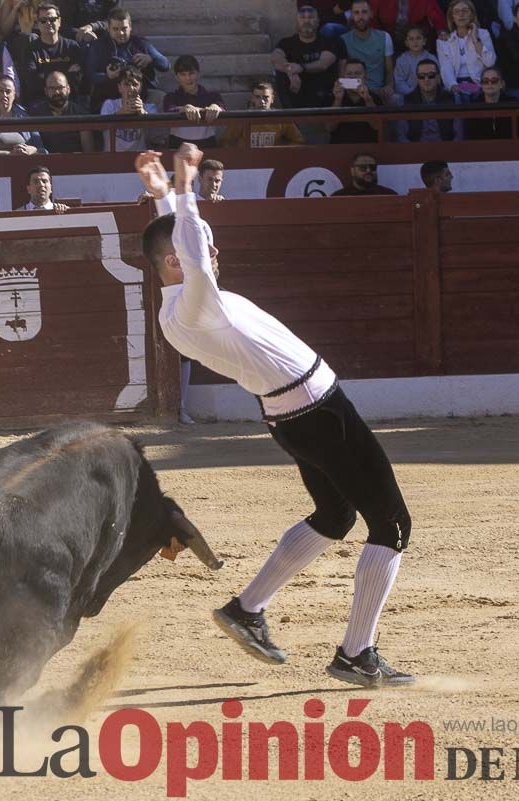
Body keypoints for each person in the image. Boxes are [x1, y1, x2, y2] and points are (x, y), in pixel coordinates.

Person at [135, 144, 415, 686]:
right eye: (207, 250)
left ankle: (247, 609)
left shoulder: (180, 310)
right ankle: (356, 654)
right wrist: (186, 187)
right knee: (392, 525)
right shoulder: (196, 302)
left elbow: (180, 246)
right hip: (319, 413)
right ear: (176, 264)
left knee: (335, 518)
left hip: (293, 415)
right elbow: (190, 251)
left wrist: (163, 197)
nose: (215, 255)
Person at [85, 7, 169, 111]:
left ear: (130, 27)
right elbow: (90, 75)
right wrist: (107, 76)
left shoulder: (140, 43)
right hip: (109, 97)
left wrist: (150, 59)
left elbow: (166, 65)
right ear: (109, 29)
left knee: (161, 97)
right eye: (115, 29)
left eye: (124, 28)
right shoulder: (98, 46)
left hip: (142, 95)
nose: (120, 33)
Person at [271, 2, 343, 112]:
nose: (306, 21)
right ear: (296, 22)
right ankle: (290, 115)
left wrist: (301, 67)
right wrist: (291, 71)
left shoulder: (330, 41)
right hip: (297, 93)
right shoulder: (287, 42)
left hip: (323, 95)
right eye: (302, 17)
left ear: (318, 21)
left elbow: (323, 63)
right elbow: (275, 57)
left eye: (311, 17)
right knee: (280, 72)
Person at [24, 2, 85, 105]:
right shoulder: (30, 50)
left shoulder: (72, 47)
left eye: (52, 19)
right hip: (41, 101)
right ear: (38, 24)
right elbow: (32, 83)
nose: (48, 23)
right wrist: (66, 73)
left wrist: (44, 75)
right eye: (43, 20)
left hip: (69, 100)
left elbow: (77, 81)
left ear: (59, 21)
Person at [437, 0, 497, 100]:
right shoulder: (444, 41)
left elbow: (490, 62)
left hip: (479, 83)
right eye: (457, 12)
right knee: (458, 98)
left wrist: (475, 38)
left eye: (465, 11)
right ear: (452, 17)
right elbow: (445, 67)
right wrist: (452, 85)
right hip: (456, 83)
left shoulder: (483, 34)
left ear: (471, 14)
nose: (461, 14)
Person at [218, 82, 306, 147]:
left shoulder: (281, 119)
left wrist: (279, 151)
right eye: (257, 97)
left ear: (272, 99)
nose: (262, 101)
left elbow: (299, 142)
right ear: (252, 99)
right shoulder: (241, 119)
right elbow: (225, 142)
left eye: (265, 97)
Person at [162, 55, 224, 148]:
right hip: (179, 146)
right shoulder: (170, 97)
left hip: (208, 146)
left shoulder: (213, 96)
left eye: (191, 73)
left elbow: (222, 108)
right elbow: (169, 110)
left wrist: (216, 107)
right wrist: (184, 108)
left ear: (198, 74)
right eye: (183, 74)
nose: (188, 78)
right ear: (176, 77)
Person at [28, 70, 97, 153]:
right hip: (44, 163)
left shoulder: (80, 113)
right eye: (52, 88)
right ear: (46, 91)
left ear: (68, 89)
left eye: (60, 87)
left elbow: (88, 151)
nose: (56, 92)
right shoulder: (35, 113)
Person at [0, 74, 46, 156]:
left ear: (14, 95)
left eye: (8, 91)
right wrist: (8, 154)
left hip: (26, 164)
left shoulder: (25, 117)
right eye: (1, 91)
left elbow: (43, 150)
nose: (4, 95)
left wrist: (33, 150)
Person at [341, 0, 395, 102]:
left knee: (395, 99)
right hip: (353, 93)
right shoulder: (343, 40)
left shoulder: (384, 37)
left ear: (371, 14)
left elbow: (389, 71)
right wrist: (365, 91)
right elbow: (342, 76)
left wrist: (389, 87)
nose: (360, 17)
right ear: (351, 16)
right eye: (356, 13)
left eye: (364, 12)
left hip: (380, 93)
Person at [398, 58, 463, 142]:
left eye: (431, 75)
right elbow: (401, 137)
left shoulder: (453, 99)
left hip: (446, 150)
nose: (426, 79)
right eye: (421, 76)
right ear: (417, 78)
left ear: (438, 77)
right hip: (415, 151)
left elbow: (459, 135)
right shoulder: (405, 101)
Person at [99, 64, 159, 151]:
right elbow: (100, 128)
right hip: (113, 157)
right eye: (126, 84)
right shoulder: (109, 104)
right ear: (119, 87)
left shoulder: (150, 107)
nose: (131, 88)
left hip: (139, 157)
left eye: (135, 84)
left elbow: (155, 131)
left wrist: (143, 113)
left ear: (141, 87)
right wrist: (120, 113)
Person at [328, 59, 382, 143]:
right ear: (343, 77)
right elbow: (330, 127)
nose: (352, 77)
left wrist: (367, 99)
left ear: (365, 76)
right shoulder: (333, 96)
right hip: (340, 146)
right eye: (349, 74)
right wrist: (338, 100)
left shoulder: (374, 98)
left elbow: (376, 126)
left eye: (357, 73)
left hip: (367, 146)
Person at [465, 66, 514, 138]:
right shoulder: (474, 107)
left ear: (501, 84)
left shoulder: (513, 103)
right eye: (485, 81)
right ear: (481, 85)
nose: (489, 83)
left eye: (494, 80)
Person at [371, 0, 445, 38]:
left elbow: (435, 14)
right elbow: (371, 16)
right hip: (388, 36)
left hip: (417, 36)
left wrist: (441, 31)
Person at [331, 153, 398, 194]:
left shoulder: (388, 195)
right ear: (352, 171)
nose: (368, 170)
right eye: (363, 167)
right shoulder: (339, 197)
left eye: (372, 167)